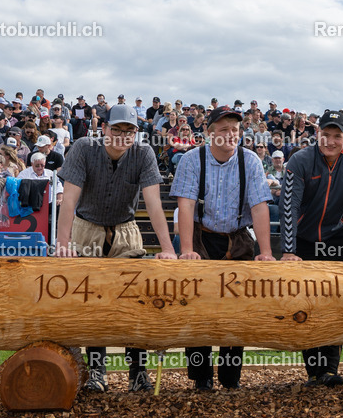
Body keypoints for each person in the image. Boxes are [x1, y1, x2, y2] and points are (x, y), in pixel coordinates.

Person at [55, 103, 178, 394]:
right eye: (117, 129)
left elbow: (153, 203)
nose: (123, 136)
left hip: (125, 229)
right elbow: (69, 201)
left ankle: (138, 372)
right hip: (87, 227)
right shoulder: (84, 147)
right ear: (105, 129)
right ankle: (97, 372)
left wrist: (167, 248)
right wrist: (63, 244)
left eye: (129, 131)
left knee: (135, 300)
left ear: (136, 134)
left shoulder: (144, 153)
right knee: (91, 302)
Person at [173, 105, 275, 391]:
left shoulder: (251, 161)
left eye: (235, 130)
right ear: (209, 134)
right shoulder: (191, 160)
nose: (231, 135)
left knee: (236, 307)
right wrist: (187, 250)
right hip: (201, 235)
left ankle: (231, 378)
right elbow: (186, 206)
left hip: (237, 236)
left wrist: (265, 252)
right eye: (223, 130)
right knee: (198, 306)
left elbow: (259, 206)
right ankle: (201, 377)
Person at [280, 109, 343, 387]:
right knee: (307, 302)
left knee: (338, 301)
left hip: (337, 236)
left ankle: (330, 370)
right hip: (303, 239)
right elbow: (287, 206)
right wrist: (289, 249)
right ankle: (314, 371)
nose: (331, 141)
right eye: (326, 134)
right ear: (317, 134)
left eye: (337, 136)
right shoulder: (299, 161)